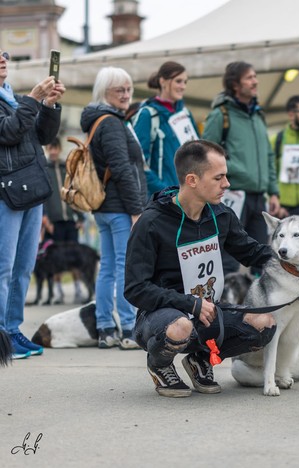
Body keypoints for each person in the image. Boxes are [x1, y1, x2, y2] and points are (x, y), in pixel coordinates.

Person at [123, 140, 280, 398]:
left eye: (226, 176)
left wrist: (298, 261)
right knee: (180, 327)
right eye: (218, 177)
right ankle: (160, 365)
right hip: (161, 317)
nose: (227, 184)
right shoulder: (150, 222)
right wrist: (189, 303)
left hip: (208, 311)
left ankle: (200, 359)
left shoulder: (221, 215)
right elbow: (135, 288)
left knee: (264, 324)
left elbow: (252, 252)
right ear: (192, 180)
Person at [0, 49, 65, 359]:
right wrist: (32, 100)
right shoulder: (16, 101)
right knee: (4, 267)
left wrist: (49, 105)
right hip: (6, 193)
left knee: (24, 267)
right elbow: (9, 132)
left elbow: (42, 134)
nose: (2, 60)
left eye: (3, 54)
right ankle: (2, 334)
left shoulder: (11, 96)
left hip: (30, 189)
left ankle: (12, 330)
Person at [80, 66, 147, 350]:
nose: (126, 94)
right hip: (120, 207)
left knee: (108, 267)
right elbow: (121, 168)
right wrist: (136, 210)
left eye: (129, 89)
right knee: (123, 266)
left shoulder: (102, 119)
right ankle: (130, 328)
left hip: (105, 207)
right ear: (104, 92)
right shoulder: (111, 122)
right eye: (119, 89)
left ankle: (105, 327)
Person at [202, 61, 279, 275]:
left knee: (262, 258)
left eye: (255, 76)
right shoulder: (221, 114)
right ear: (235, 84)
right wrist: (235, 170)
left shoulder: (258, 115)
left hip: (258, 196)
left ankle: (261, 307)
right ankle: (222, 307)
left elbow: (268, 155)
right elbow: (206, 153)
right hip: (233, 193)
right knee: (227, 256)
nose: (256, 81)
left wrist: (274, 191)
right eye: (250, 78)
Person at [132, 61, 199, 196]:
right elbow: (138, 161)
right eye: (178, 81)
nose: (183, 86)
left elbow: (199, 153)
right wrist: (165, 191)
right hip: (162, 200)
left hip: (188, 197)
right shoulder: (147, 115)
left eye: (185, 82)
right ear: (163, 81)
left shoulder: (185, 113)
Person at [42, 137, 87, 304]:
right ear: (47, 149)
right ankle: (58, 292)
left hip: (70, 221)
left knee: (75, 257)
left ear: (60, 149)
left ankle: (77, 289)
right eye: (50, 149)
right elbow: (41, 196)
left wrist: (80, 217)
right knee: (56, 260)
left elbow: (73, 193)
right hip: (53, 223)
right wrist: (45, 219)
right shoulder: (43, 169)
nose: (53, 152)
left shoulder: (66, 167)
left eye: (56, 148)